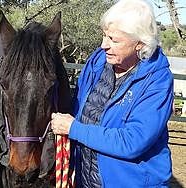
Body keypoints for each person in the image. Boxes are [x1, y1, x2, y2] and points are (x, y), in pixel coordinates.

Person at [50, 0, 174, 187]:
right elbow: (78, 107)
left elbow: (133, 141)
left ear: (139, 43)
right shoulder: (98, 61)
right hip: (86, 179)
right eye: (104, 36)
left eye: (114, 40)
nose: (103, 45)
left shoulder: (157, 81)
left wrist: (74, 129)